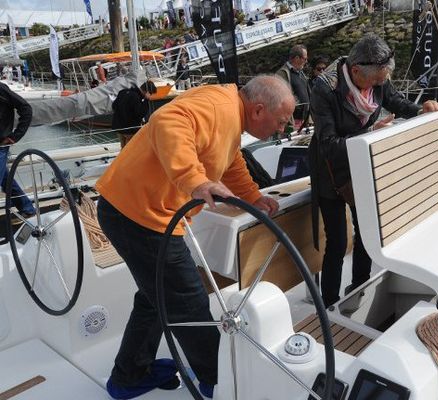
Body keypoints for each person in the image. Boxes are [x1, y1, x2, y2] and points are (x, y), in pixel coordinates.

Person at [96, 75, 293, 399]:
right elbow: (166, 121)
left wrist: (252, 196)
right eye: (281, 122)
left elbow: (229, 160)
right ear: (259, 110)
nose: (282, 130)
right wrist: (195, 180)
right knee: (189, 302)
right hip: (138, 217)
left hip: (138, 212)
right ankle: (219, 381)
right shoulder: (218, 106)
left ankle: (129, 375)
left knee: (156, 297)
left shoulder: (230, 112)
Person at [309, 33, 438, 307]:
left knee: (367, 233)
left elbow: (395, 102)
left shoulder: (379, 77)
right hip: (330, 171)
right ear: (355, 71)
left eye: (383, 80)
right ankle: (330, 304)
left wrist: (420, 111)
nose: (380, 85)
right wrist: (369, 132)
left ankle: (358, 290)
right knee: (336, 242)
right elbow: (329, 145)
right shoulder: (324, 89)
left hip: (361, 166)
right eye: (376, 81)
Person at [0, 81, 36, 218]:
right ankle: (27, 208)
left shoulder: (1, 89)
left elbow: (26, 108)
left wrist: (16, 136)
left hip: (1, 145)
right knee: (5, 179)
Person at [111, 80, 157, 148]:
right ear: (147, 92)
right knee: (130, 148)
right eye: (150, 94)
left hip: (118, 126)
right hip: (130, 129)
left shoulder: (123, 92)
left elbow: (114, 106)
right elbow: (140, 113)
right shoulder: (136, 97)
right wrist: (146, 100)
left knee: (123, 147)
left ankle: (122, 158)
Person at [276, 44, 310, 129]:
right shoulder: (282, 74)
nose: (306, 61)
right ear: (297, 58)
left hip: (305, 120)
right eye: (305, 59)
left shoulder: (301, 73)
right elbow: (281, 100)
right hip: (293, 123)